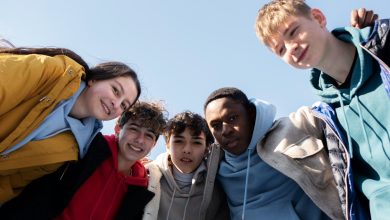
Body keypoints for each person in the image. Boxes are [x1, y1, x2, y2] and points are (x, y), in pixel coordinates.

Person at [255, 1, 389, 219]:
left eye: (293, 32)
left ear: (318, 18)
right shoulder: (326, 115)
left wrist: (374, 36)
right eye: (281, 49)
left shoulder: (384, 54)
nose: (291, 48)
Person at [0, 47, 141, 204]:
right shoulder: (53, 71)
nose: (116, 104)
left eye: (124, 105)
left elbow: (11, 183)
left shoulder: (73, 150)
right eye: (115, 90)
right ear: (94, 79)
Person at [204, 87, 355, 220]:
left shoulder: (290, 128)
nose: (225, 130)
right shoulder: (213, 170)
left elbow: (332, 109)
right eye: (216, 126)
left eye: (232, 118)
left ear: (249, 114)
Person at [0, 101, 167, 220]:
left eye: (149, 136)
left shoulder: (141, 188)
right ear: (118, 128)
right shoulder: (87, 147)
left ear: (153, 144)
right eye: (134, 129)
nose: (139, 139)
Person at [144, 111, 229, 220]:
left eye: (197, 142)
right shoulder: (146, 176)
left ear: (207, 148)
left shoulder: (220, 187)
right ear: (168, 146)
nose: (187, 150)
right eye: (179, 141)